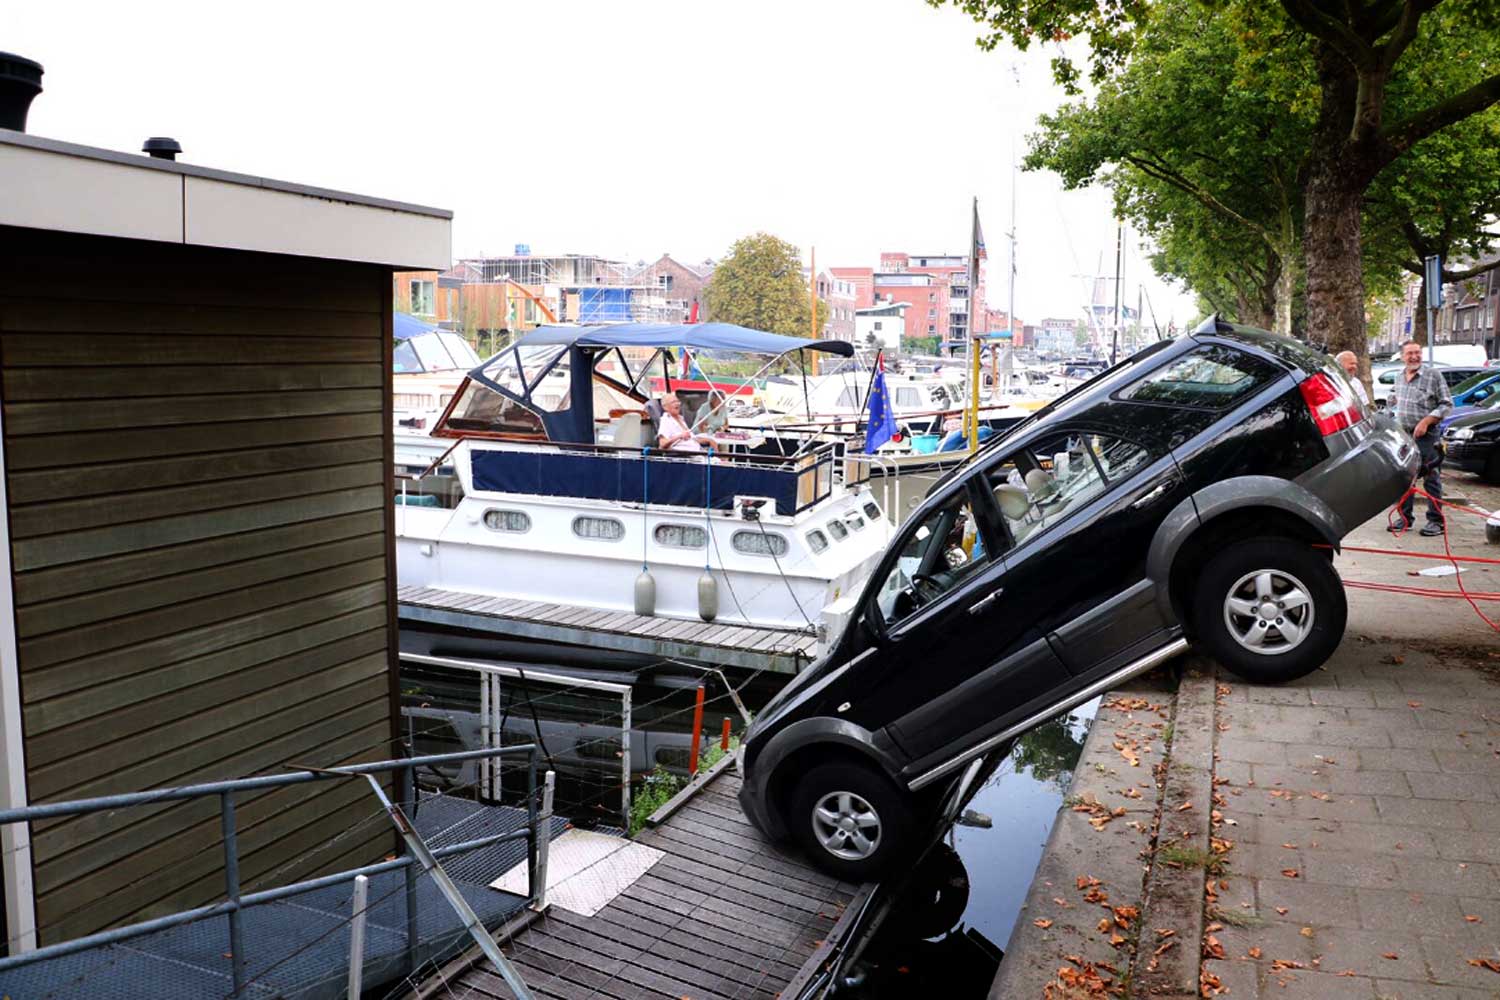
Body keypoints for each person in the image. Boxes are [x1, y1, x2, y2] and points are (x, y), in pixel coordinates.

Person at [1390, 339, 1452, 536]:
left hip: (1428, 436)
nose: (1415, 356)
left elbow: (1446, 404)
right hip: (1404, 435)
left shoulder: (1433, 375)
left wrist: (1426, 421)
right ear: (1402, 357)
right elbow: (1394, 403)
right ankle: (1405, 518)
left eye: (1417, 352)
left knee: (1431, 478)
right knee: (1405, 478)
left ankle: (1436, 522)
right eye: (1410, 353)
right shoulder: (1399, 377)